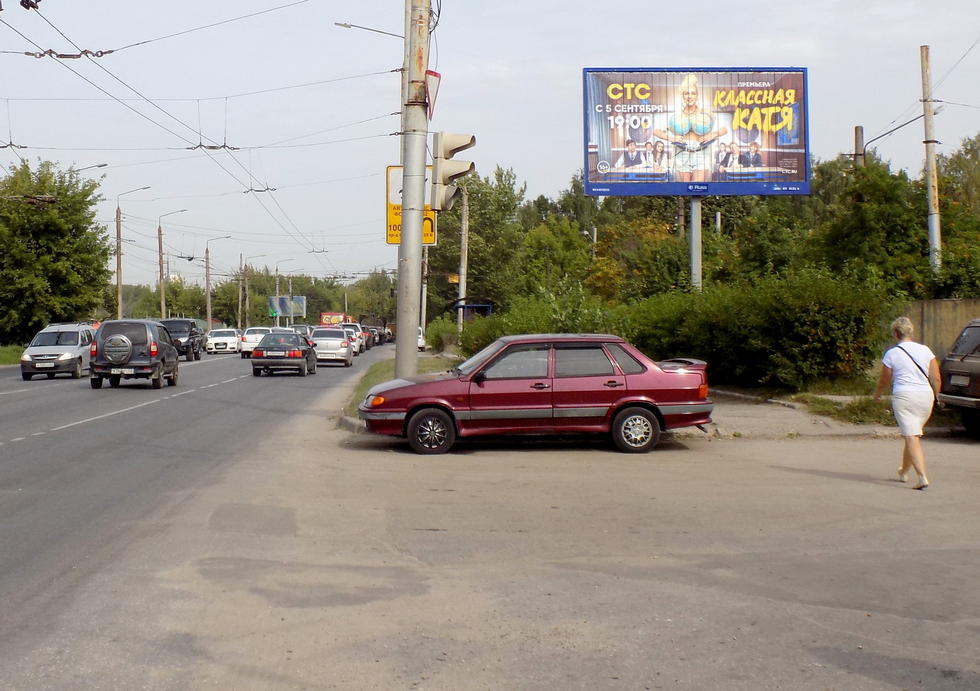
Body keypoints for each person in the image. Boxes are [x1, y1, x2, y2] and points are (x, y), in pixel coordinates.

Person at [873, 316, 939, 489]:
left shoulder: (892, 353)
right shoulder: (926, 350)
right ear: (911, 331)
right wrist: (936, 396)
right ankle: (903, 471)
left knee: (911, 436)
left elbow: (885, 380)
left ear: (895, 333)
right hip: (925, 397)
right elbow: (936, 377)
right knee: (913, 435)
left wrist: (878, 394)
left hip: (904, 396)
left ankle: (922, 477)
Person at [653, 73, 728, 182]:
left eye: (693, 93)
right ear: (682, 96)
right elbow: (656, 131)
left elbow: (724, 129)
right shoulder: (677, 116)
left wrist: (712, 134)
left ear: (697, 96)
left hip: (701, 153)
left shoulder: (705, 113)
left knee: (698, 188)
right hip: (682, 153)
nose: (690, 96)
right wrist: (672, 138)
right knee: (685, 190)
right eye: (687, 93)